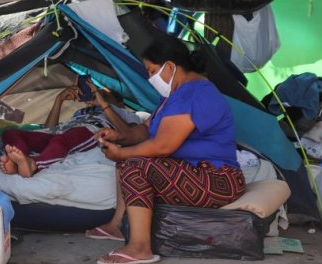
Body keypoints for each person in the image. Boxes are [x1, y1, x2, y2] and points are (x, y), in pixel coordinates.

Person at [93, 35, 245, 264]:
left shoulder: (195, 93)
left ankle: (140, 248)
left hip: (217, 180)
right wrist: (119, 137)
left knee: (134, 164)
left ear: (171, 67)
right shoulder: (173, 96)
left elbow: (163, 146)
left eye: (152, 71)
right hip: (196, 174)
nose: (150, 78)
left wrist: (122, 153)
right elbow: (146, 131)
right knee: (128, 160)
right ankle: (116, 226)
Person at [0, 84, 140, 178]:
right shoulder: (82, 111)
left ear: (120, 104)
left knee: (62, 140)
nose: (98, 97)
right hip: (63, 130)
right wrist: (59, 100)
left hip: (91, 130)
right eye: (97, 94)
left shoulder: (125, 113)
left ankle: (34, 164)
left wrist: (105, 105)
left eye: (105, 95)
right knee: (11, 134)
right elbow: (49, 129)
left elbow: (129, 134)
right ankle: (19, 163)